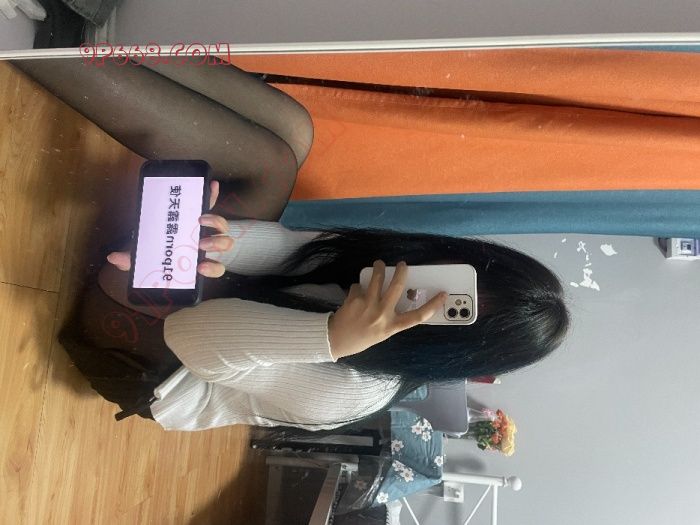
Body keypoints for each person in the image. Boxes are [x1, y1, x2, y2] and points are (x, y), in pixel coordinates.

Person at [10, 57, 570, 432]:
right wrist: (216, 238)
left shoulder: (354, 391)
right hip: (209, 298)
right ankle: (90, 36)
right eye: (454, 286)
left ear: (451, 353)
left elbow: (192, 336)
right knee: (291, 136)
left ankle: (39, 42)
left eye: (445, 317)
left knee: (269, 162)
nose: (421, 299)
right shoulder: (380, 265)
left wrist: (331, 338)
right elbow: (281, 252)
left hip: (153, 360)